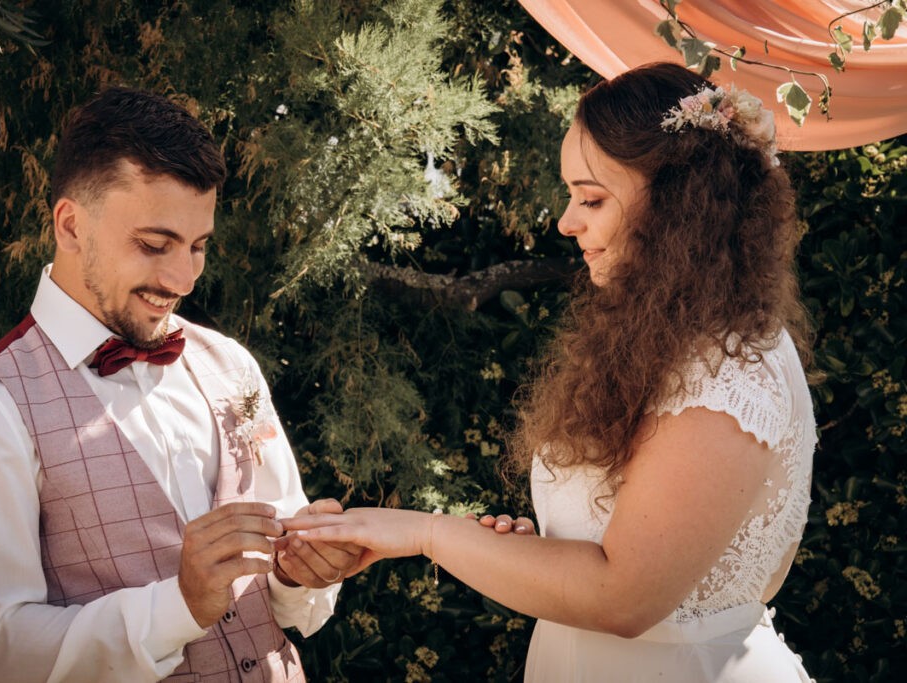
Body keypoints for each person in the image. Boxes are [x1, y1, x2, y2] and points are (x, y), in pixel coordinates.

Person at [282, 62, 817, 682]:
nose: (566, 222)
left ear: (681, 206)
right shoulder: (673, 342)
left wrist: (425, 534)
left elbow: (624, 599)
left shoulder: (726, 373)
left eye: (591, 198)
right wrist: (525, 554)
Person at [0, 87, 360, 683]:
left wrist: (295, 574)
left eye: (198, 247)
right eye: (154, 245)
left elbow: (284, 588)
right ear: (71, 226)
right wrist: (178, 608)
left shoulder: (232, 364)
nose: (182, 279)